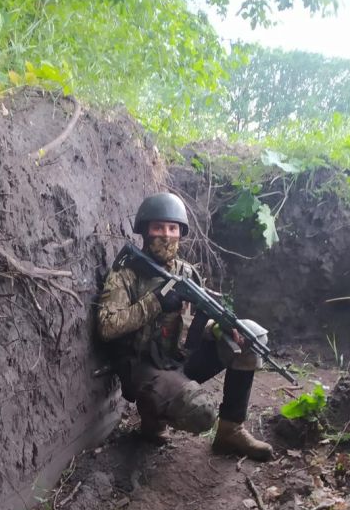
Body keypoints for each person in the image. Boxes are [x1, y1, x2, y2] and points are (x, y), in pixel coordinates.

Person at [97, 192, 273, 461]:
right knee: (200, 411)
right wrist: (156, 301)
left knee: (250, 335)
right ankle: (152, 416)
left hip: (178, 357)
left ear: (181, 232)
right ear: (144, 230)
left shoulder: (186, 273)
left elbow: (197, 321)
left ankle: (230, 430)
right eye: (158, 227)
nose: (166, 235)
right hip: (143, 367)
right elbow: (108, 326)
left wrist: (221, 329)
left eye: (172, 228)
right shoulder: (126, 274)